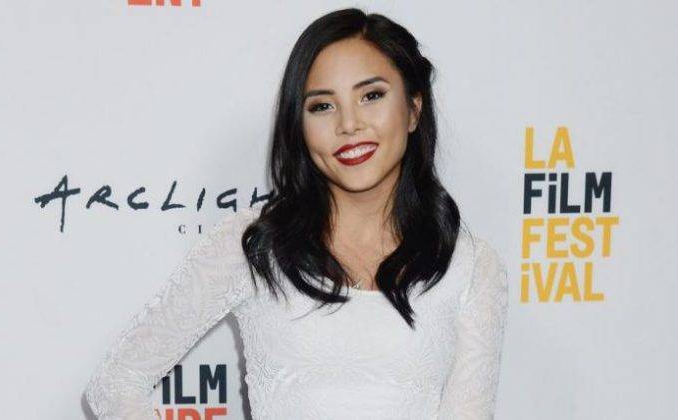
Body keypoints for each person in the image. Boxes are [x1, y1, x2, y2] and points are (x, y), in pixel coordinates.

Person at [84, 7, 509, 420]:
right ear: (298, 125)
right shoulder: (255, 244)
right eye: (322, 106)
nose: (349, 125)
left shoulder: (471, 266)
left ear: (414, 109)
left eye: (371, 96)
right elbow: (116, 384)